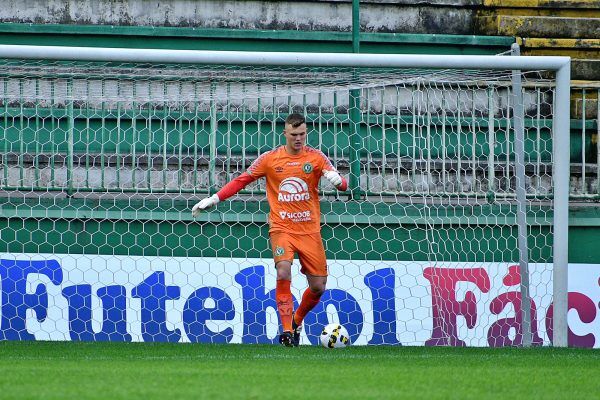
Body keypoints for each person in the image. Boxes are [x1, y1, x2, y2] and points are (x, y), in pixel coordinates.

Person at [192, 113, 348, 347]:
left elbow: (345, 185)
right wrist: (214, 199)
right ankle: (286, 331)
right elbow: (242, 180)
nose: (298, 139)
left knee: (318, 287)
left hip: (309, 231)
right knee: (283, 271)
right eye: (294, 134)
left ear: (307, 133)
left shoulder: (316, 158)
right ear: (284, 133)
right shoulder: (270, 159)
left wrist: (338, 181)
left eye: (302, 134)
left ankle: (296, 320)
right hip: (281, 227)